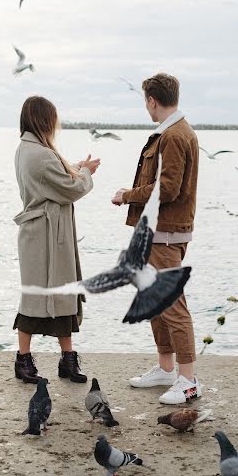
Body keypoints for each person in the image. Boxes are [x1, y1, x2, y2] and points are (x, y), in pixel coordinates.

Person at [111, 73, 200, 405]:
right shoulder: (172, 131)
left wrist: (128, 195)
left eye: (145, 101)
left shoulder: (175, 135)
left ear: (151, 100)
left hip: (165, 233)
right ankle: (166, 368)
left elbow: (168, 188)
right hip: (157, 231)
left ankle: (188, 380)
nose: (145, 106)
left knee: (172, 305)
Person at [13, 96, 100, 384]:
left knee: (51, 296)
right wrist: (85, 172)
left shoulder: (27, 149)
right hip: (46, 236)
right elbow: (71, 188)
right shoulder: (41, 154)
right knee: (42, 297)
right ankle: (32, 362)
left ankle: (58, 360)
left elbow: (51, 179)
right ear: (44, 120)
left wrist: (76, 166)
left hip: (42, 233)